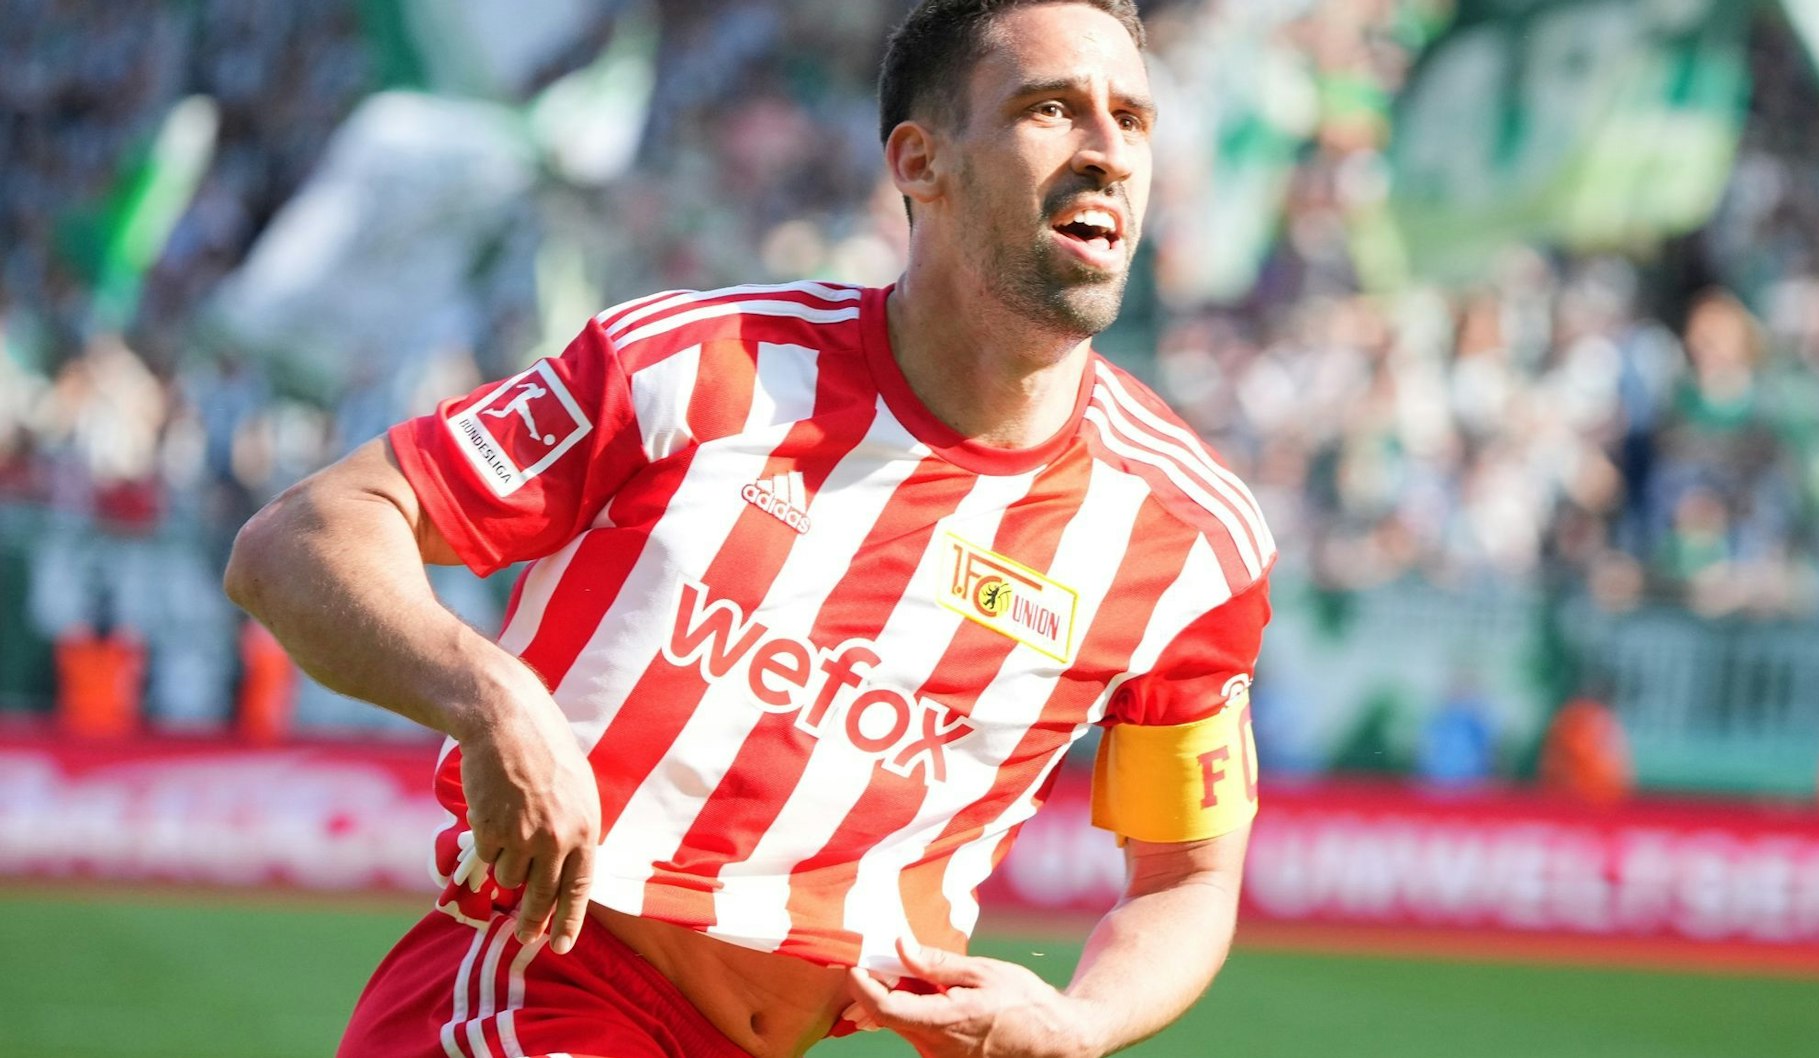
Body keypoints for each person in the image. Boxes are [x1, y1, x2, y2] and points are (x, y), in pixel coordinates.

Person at [224, 2, 1275, 1055]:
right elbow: (301, 538)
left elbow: (1187, 873)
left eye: (1131, 119)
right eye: (1049, 109)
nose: (1106, 151)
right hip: (533, 987)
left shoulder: (1190, 540)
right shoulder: (698, 365)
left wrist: (1080, 1021)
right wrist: (494, 700)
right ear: (921, 162)